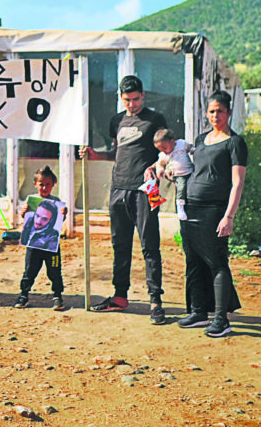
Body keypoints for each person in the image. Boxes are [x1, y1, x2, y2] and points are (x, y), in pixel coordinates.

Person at [79, 75, 169, 324]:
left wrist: (156, 166)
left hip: (145, 190)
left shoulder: (155, 119)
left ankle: (156, 302)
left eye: (136, 99)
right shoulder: (117, 121)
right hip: (118, 188)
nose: (132, 104)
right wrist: (95, 155)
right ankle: (120, 296)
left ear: (144, 95)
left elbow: (167, 152)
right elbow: (116, 152)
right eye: (127, 100)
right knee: (120, 245)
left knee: (150, 246)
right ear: (121, 98)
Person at [177, 90, 247, 337]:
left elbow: (237, 183)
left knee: (217, 263)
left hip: (214, 211)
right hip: (190, 209)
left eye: (220, 111)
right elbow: (191, 169)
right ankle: (198, 312)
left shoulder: (235, 142)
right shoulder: (201, 138)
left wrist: (228, 216)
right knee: (193, 262)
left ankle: (221, 319)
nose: (215, 115)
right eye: (211, 111)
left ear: (228, 113)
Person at [14, 167, 66, 310]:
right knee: (30, 270)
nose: (44, 187)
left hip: (52, 246)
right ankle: (24, 295)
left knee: (54, 270)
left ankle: (57, 296)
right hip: (33, 245)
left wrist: (63, 214)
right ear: (35, 184)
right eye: (41, 184)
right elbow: (26, 220)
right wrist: (24, 213)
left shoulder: (56, 201)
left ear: (54, 184)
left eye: (47, 184)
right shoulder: (31, 201)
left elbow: (59, 221)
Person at [146, 128, 195, 221]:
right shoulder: (164, 155)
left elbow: (191, 148)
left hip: (191, 171)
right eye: (160, 149)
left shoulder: (181, 144)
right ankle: (180, 208)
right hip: (179, 175)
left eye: (164, 147)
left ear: (172, 141)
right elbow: (160, 164)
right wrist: (159, 171)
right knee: (181, 188)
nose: (163, 151)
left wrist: (196, 151)